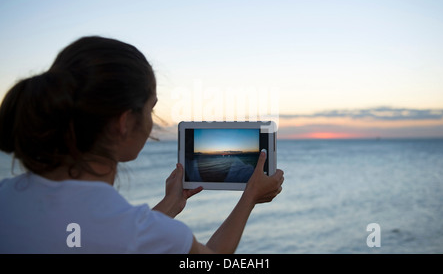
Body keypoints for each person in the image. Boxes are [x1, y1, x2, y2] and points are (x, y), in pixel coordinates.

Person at [0, 36, 284, 253]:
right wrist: (250, 198)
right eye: (151, 108)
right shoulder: (145, 233)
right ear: (124, 122)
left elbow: (122, 232)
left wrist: (171, 203)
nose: (153, 122)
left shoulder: (5, 196)